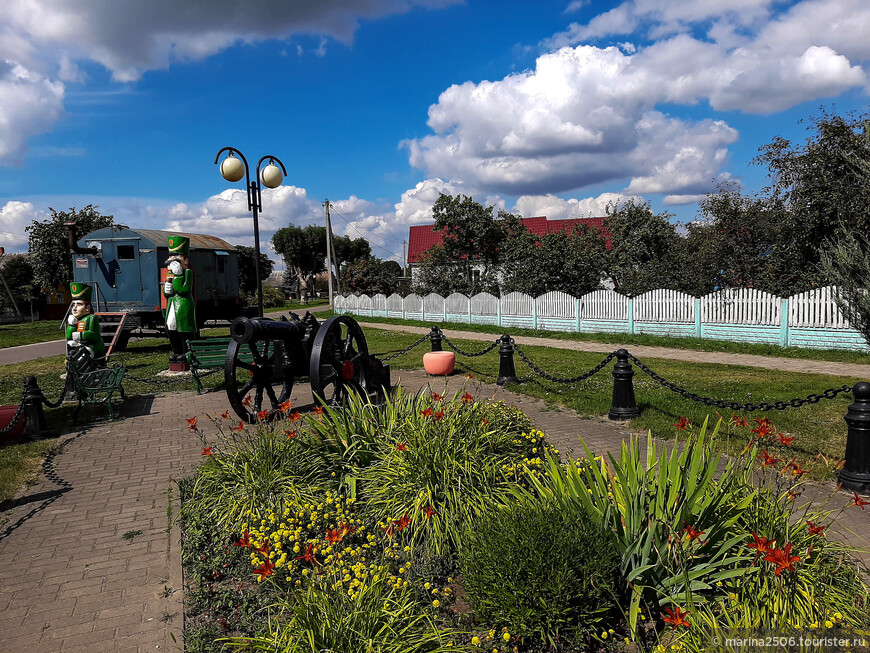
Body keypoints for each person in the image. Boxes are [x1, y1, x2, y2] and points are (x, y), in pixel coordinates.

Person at [163, 235, 197, 363]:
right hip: (172, 305)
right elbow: (167, 294)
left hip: (183, 305)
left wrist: (177, 276)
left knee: (184, 328)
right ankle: (176, 352)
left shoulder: (187, 273)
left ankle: (186, 352)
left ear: (185, 261)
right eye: (171, 257)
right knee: (171, 327)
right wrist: (166, 289)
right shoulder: (169, 274)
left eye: (176, 257)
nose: (172, 260)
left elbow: (183, 290)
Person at [66, 282, 104, 359]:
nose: (75, 308)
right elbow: (69, 336)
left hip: (92, 345)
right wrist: (71, 325)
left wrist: (80, 335)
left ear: (87, 308)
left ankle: (88, 367)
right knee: (70, 344)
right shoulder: (76, 319)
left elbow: (95, 335)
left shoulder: (91, 318)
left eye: (79, 304)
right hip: (81, 344)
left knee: (85, 354)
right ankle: (72, 363)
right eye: (73, 305)